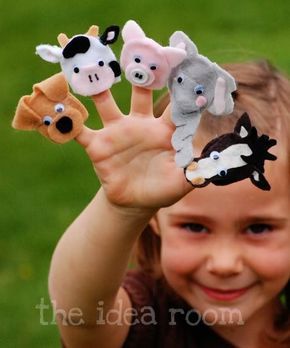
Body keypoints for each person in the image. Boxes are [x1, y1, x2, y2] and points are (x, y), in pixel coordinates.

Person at [49, 60, 290, 347]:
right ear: (154, 217)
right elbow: (82, 317)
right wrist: (122, 209)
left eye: (259, 228)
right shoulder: (150, 317)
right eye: (194, 226)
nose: (224, 264)